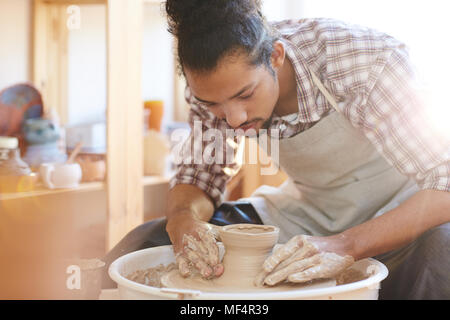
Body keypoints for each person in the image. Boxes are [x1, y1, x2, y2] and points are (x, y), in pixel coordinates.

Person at [102, 0, 450, 299]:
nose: (234, 118)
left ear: (276, 56)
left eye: (245, 95)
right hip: (309, 215)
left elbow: (445, 180)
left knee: (442, 256)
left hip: (408, 213)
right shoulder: (206, 91)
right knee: (144, 240)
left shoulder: (362, 62)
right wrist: (183, 220)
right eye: (214, 104)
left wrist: (346, 245)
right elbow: (200, 178)